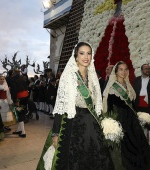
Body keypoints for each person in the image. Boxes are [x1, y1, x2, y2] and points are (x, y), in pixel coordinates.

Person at [37, 42, 114, 170]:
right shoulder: (68, 76)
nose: (86, 56)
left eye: (89, 53)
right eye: (82, 53)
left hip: (91, 123)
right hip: (73, 123)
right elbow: (60, 105)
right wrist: (55, 134)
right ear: (76, 56)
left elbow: (96, 104)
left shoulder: (93, 76)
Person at [103, 61, 150, 170]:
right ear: (116, 71)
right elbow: (109, 107)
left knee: (137, 144)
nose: (123, 72)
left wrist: (139, 115)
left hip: (132, 120)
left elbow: (133, 105)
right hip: (121, 120)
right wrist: (111, 124)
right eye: (121, 69)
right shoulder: (112, 88)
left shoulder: (129, 85)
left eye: (125, 69)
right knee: (125, 147)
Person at [12, 69, 29, 138]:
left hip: (19, 98)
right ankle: (19, 129)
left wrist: (16, 100)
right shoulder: (22, 78)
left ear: (14, 73)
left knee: (19, 114)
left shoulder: (14, 79)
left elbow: (14, 90)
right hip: (25, 96)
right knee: (22, 112)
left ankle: (23, 132)